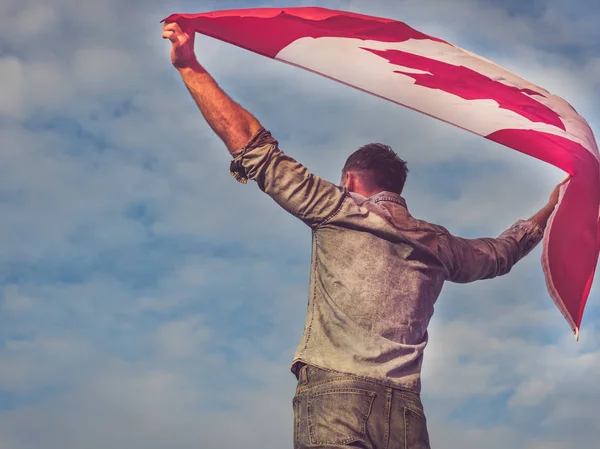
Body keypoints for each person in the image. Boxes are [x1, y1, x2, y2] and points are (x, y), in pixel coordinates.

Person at [163, 21, 568, 449]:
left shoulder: (338, 208)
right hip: (406, 411)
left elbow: (252, 146)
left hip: (337, 398)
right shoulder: (438, 244)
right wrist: (552, 206)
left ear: (351, 180)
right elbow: (501, 253)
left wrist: (190, 67)